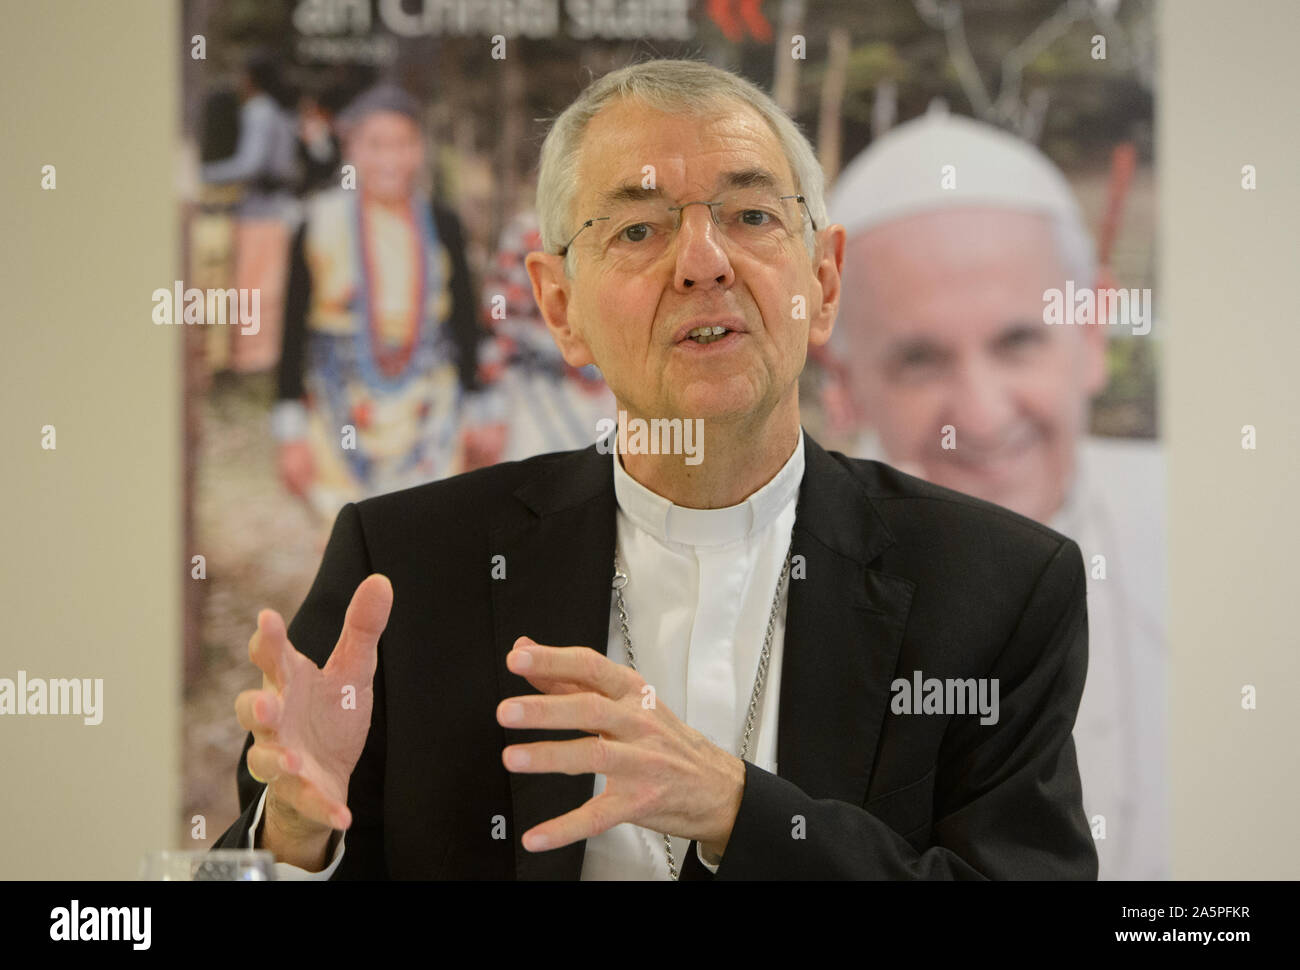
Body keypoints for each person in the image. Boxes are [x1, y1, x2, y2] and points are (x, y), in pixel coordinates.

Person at [214, 59, 1097, 880]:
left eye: (752, 216)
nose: (704, 263)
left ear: (824, 282)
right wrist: (295, 835)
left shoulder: (999, 588)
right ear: (559, 307)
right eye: (638, 227)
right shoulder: (404, 567)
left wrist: (742, 813)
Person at [826, 106, 1167, 879]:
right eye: (920, 361)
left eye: (1018, 342)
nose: (980, 415)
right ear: (843, 386)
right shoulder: (781, 582)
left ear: (1091, 334)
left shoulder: (1231, 538)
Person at [272, 83, 492, 521]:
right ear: (351, 147)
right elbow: (293, 331)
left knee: (427, 544)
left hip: (431, 411)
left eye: (403, 144)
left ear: (420, 149)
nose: (390, 159)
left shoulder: (442, 223)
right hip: (340, 407)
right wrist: (290, 431)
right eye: (375, 145)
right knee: (344, 548)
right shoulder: (318, 223)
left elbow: (466, 323)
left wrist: (482, 409)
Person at [200, 50, 301, 373]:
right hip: (279, 212)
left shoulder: (259, 111)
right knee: (267, 289)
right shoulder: (283, 112)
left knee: (252, 289)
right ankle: (263, 357)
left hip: (258, 214)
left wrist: (206, 174)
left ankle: (251, 360)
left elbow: (251, 164)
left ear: (252, 78)